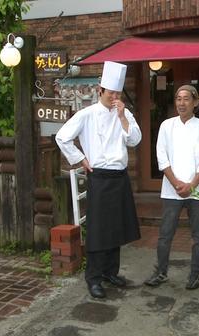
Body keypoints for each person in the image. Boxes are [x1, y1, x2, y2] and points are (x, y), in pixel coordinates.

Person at [55, 61, 142, 299]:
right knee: (98, 229)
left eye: (117, 92)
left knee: (117, 227)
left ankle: (110, 273)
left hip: (119, 177)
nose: (114, 96)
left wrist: (123, 116)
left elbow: (134, 140)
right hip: (100, 177)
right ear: (99, 90)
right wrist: (80, 158)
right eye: (110, 92)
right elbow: (62, 137)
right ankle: (93, 277)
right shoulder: (87, 114)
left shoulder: (124, 113)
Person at [144, 85, 199, 290]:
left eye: (186, 99)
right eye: (178, 99)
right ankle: (161, 272)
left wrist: (191, 185)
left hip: (196, 189)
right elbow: (161, 156)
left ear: (196, 102)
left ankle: (196, 274)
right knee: (165, 234)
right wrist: (176, 182)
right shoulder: (166, 125)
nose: (181, 103)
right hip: (171, 189)